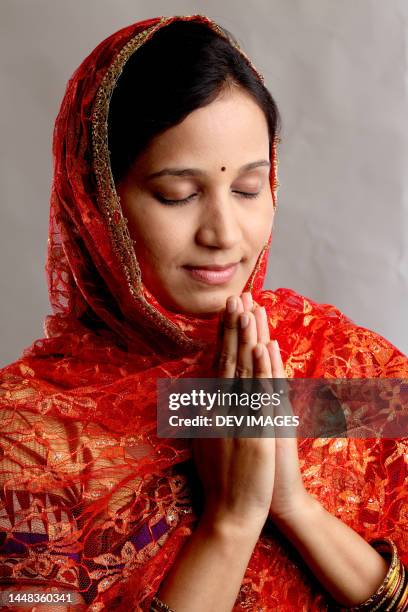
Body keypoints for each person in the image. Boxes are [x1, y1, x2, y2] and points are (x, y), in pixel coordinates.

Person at [0, 14, 407, 612]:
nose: (223, 233)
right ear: (96, 201)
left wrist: (295, 507)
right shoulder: (28, 436)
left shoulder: (350, 375)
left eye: (247, 189)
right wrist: (232, 521)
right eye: (178, 195)